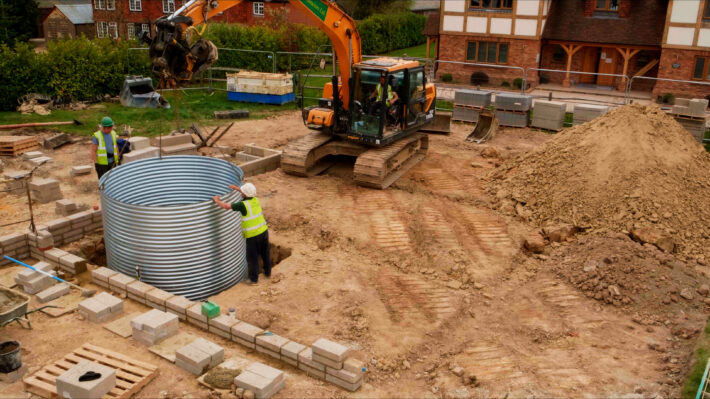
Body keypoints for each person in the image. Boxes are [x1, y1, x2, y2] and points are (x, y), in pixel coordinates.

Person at [213, 183, 271, 285]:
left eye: (242, 192)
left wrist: (217, 200)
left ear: (244, 194)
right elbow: (247, 194)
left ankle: (253, 280)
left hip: (253, 237)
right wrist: (237, 188)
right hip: (264, 232)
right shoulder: (255, 200)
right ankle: (268, 272)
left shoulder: (242, 205)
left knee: (252, 258)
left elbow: (226, 206)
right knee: (265, 254)